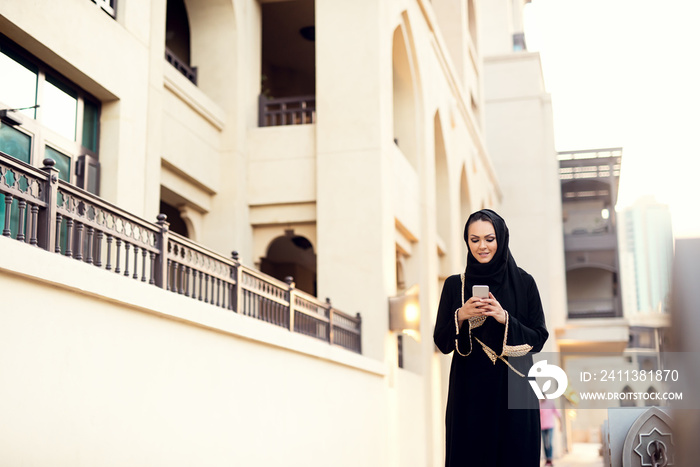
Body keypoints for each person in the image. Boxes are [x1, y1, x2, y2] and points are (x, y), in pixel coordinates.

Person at [433, 209, 549, 467]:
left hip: (515, 392)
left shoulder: (525, 283)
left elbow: (539, 338)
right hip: (470, 395)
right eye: (474, 240)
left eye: (489, 238)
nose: (482, 246)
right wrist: (461, 315)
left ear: (501, 239)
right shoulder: (455, 286)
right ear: (467, 242)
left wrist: (505, 318)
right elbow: (441, 342)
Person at [539, 398, 561, 466]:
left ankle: (550, 459)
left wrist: (561, 424)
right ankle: (547, 460)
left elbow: (557, 413)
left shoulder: (550, 403)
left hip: (549, 426)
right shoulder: (540, 405)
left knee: (549, 443)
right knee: (545, 444)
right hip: (542, 427)